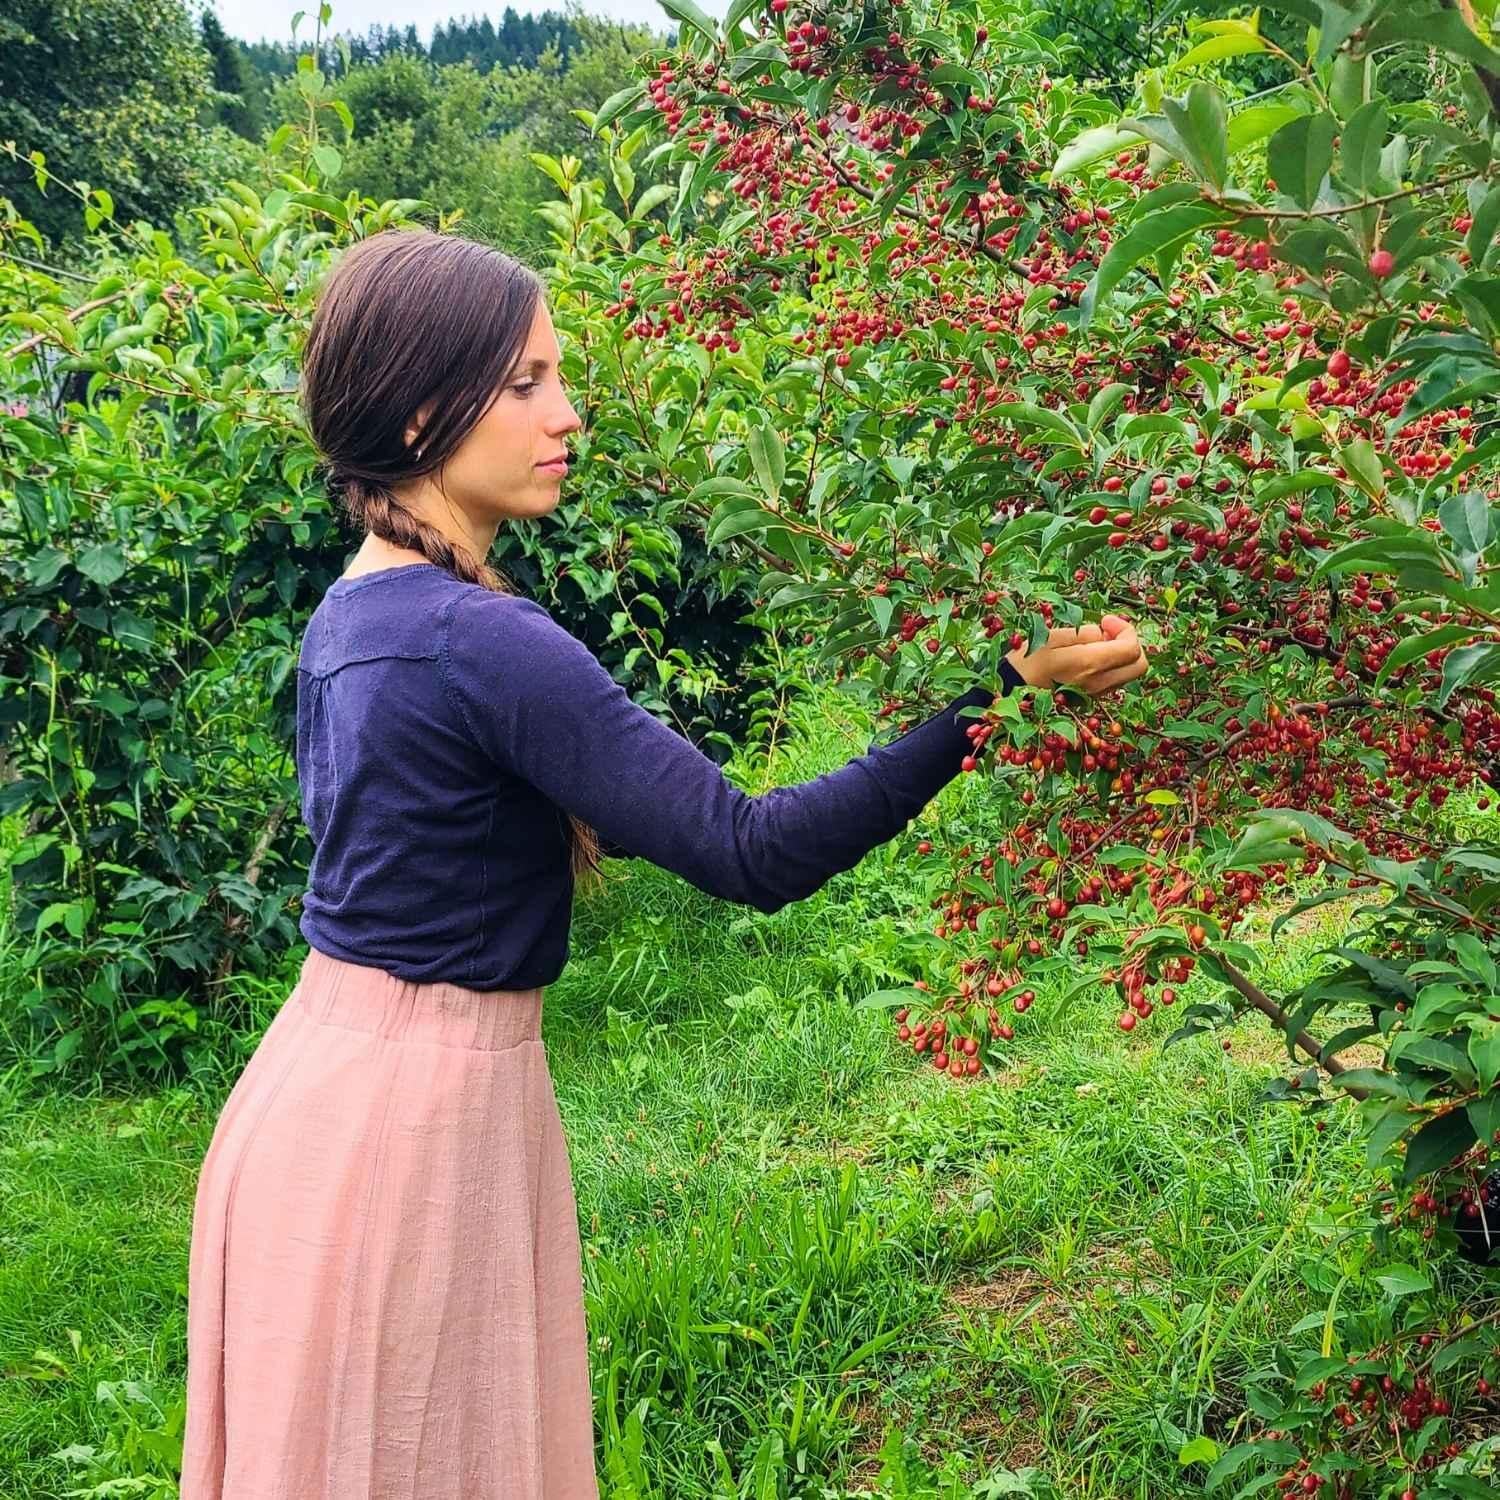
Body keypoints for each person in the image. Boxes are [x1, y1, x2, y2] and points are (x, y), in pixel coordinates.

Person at [178, 226, 1150, 1499]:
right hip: (407, 1132)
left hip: (320, 1092)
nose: (566, 415)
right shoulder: (478, 639)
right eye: (526, 383)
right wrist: (998, 697)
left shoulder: (354, 612)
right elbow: (753, 851)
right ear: (424, 408)